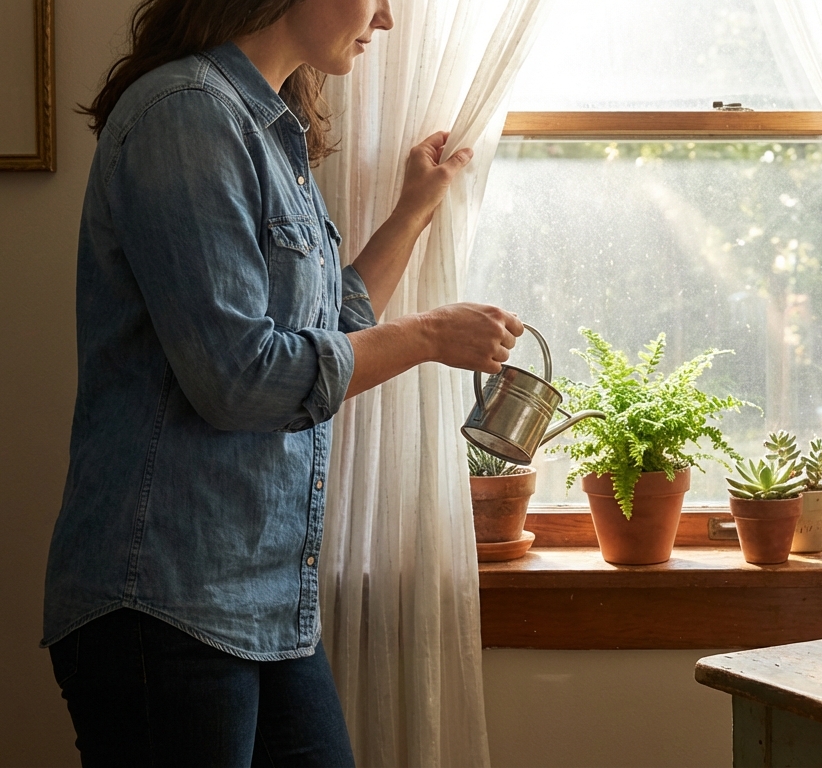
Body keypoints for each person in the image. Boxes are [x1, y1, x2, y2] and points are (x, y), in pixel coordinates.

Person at [41, 0, 521, 764]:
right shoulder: (186, 115)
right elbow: (240, 378)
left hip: (264, 606)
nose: (388, 18)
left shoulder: (266, 131)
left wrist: (412, 212)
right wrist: (427, 337)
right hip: (163, 597)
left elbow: (331, 323)